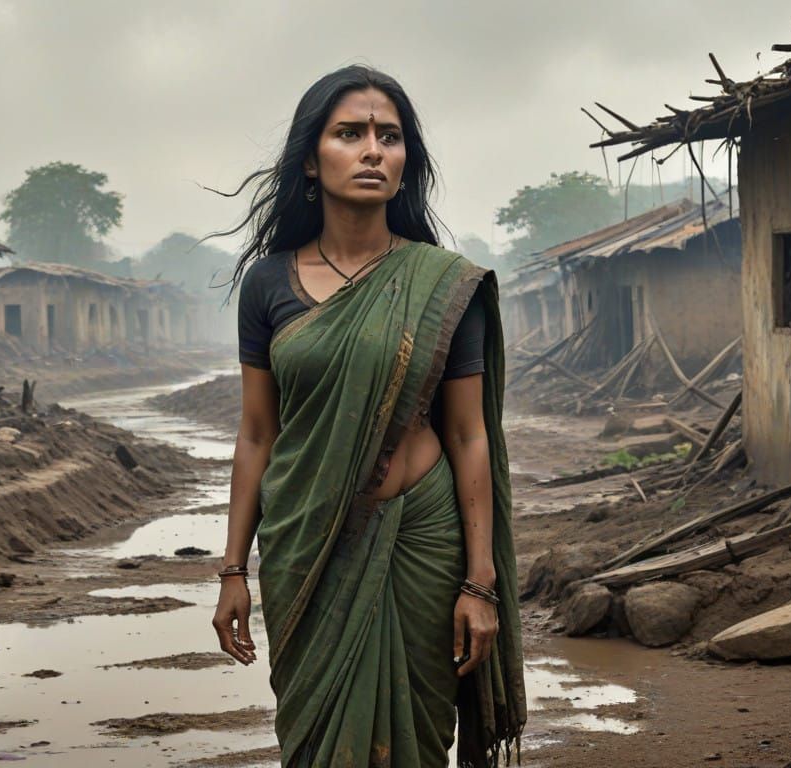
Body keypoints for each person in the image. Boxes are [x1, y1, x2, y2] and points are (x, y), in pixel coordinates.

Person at [209, 64, 525, 767]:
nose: (372, 150)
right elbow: (258, 433)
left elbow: (471, 436)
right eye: (349, 133)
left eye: (390, 136)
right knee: (319, 740)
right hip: (306, 543)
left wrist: (480, 583)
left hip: (422, 537)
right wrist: (233, 568)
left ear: (407, 162)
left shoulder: (443, 284)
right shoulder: (267, 283)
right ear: (312, 160)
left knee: (416, 733)